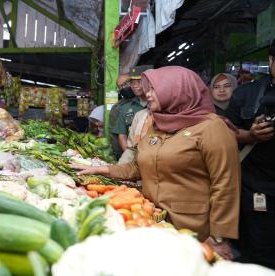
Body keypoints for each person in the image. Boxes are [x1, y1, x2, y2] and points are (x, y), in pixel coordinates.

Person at [72, 66, 240, 260]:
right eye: (147, 89)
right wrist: (104, 169)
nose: (148, 94)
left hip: (194, 228)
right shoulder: (158, 124)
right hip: (155, 221)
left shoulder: (212, 128)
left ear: (177, 90)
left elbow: (226, 185)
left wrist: (219, 237)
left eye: (153, 89)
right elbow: (139, 166)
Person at [225, 38, 275, 269]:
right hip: (256, 188)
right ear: (271, 61)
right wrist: (251, 136)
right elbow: (225, 135)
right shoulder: (248, 94)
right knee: (258, 251)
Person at [111, 65, 152, 154]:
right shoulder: (124, 107)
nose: (135, 86)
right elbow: (122, 135)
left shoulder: (161, 104)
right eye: (132, 83)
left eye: (139, 82)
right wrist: (129, 158)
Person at [109, 73, 134, 158]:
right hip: (125, 152)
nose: (123, 88)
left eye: (125, 84)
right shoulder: (118, 107)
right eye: (120, 86)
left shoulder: (148, 102)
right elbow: (118, 135)